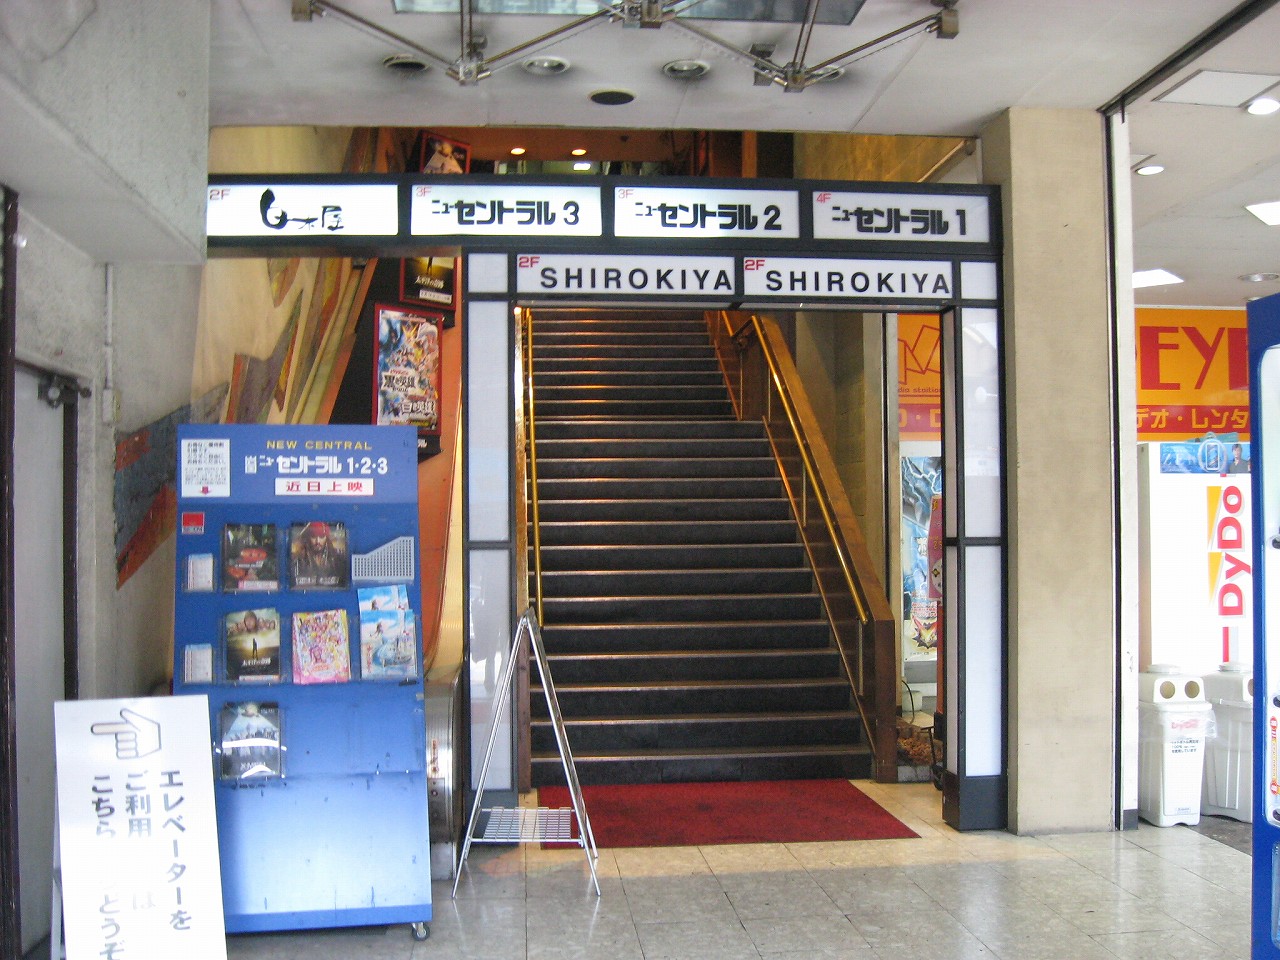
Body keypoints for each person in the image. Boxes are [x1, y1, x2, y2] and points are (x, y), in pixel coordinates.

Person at [291, 521, 347, 587]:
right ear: (307, 538)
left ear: (327, 538)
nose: (318, 541)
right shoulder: (297, 559)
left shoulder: (337, 558)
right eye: (313, 536)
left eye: (321, 536)